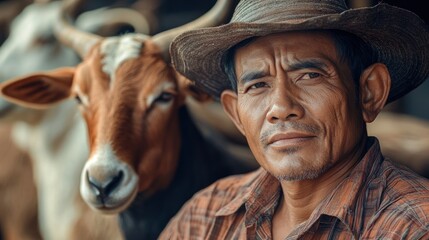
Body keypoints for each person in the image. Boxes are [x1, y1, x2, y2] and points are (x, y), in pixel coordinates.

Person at [160, 0, 429, 239]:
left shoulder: (414, 227)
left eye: (310, 75)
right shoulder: (204, 217)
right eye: (257, 85)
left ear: (369, 92)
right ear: (236, 114)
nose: (280, 107)